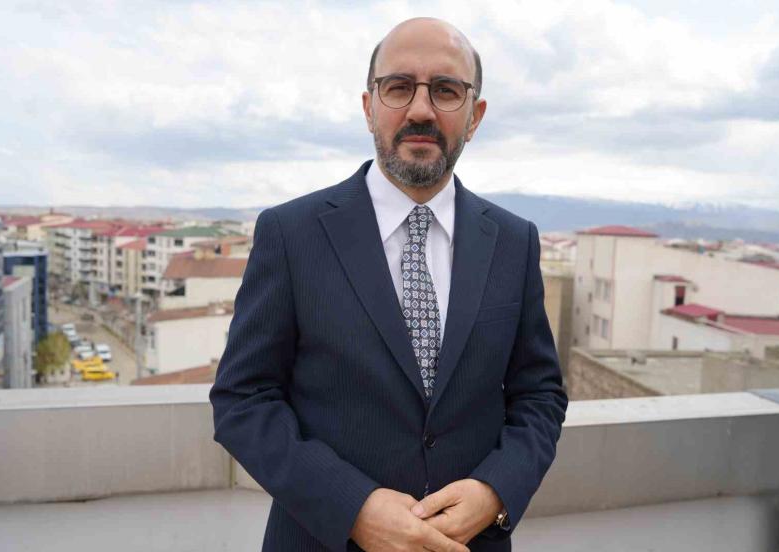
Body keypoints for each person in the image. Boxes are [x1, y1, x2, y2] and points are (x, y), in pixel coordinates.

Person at [209, 17, 568, 552]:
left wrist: (495, 491)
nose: (421, 110)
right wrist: (352, 508)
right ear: (368, 107)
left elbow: (539, 395)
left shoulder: (514, 242)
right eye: (399, 87)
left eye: (446, 90)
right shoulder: (291, 233)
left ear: (474, 116)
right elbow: (243, 400)